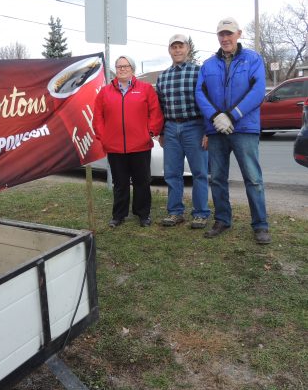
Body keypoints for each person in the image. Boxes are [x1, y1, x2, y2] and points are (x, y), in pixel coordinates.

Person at [195, 17, 271, 244]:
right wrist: (216, 116)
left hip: (244, 128)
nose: (225, 38)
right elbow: (200, 93)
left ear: (238, 34)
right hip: (217, 129)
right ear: (217, 37)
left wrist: (232, 115)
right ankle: (222, 220)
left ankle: (260, 225)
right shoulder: (208, 65)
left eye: (229, 34)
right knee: (217, 178)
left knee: (253, 178)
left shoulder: (253, 59)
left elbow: (258, 91)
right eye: (221, 34)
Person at [93, 55, 164, 228]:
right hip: (115, 147)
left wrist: (150, 132)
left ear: (132, 69)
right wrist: (104, 137)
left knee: (142, 182)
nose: (122, 69)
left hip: (140, 145)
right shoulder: (105, 92)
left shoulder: (146, 89)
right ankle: (119, 215)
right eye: (119, 67)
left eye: (125, 66)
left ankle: (143, 214)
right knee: (120, 183)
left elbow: (155, 113)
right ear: (115, 70)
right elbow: (98, 117)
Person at [156, 34, 210, 229]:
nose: (177, 50)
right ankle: (175, 212)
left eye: (181, 46)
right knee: (172, 173)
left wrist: (208, 131)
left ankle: (201, 213)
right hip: (170, 128)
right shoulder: (163, 77)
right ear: (169, 50)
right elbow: (160, 106)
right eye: (174, 47)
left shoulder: (199, 72)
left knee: (199, 172)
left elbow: (208, 102)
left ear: (187, 49)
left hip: (194, 127)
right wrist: (162, 132)